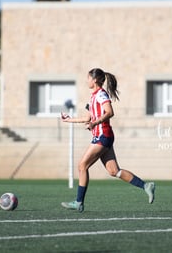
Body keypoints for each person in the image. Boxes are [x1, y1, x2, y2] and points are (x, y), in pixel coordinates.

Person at [61, 68, 155, 212]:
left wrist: (95, 123)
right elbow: (87, 118)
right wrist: (69, 120)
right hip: (104, 136)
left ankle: (79, 202)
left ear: (95, 80)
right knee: (114, 171)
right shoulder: (93, 97)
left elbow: (110, 112)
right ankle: (146, 186)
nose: (86, 81)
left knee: (82, 166)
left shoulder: (101, 94)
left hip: (102, 136)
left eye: (88, 78)